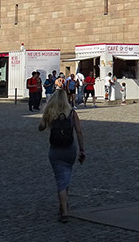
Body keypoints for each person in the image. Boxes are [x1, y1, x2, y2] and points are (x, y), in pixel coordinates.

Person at [39, 90, 85, 223]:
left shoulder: (51, 113)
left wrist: (46, 116)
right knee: (66, 177)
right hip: (70, 149)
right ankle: (64, 205)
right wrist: (82, 149)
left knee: (61, 179)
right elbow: (79, 132)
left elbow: (41, 128)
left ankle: (63, 211)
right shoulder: (72, 113)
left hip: (55, 150)